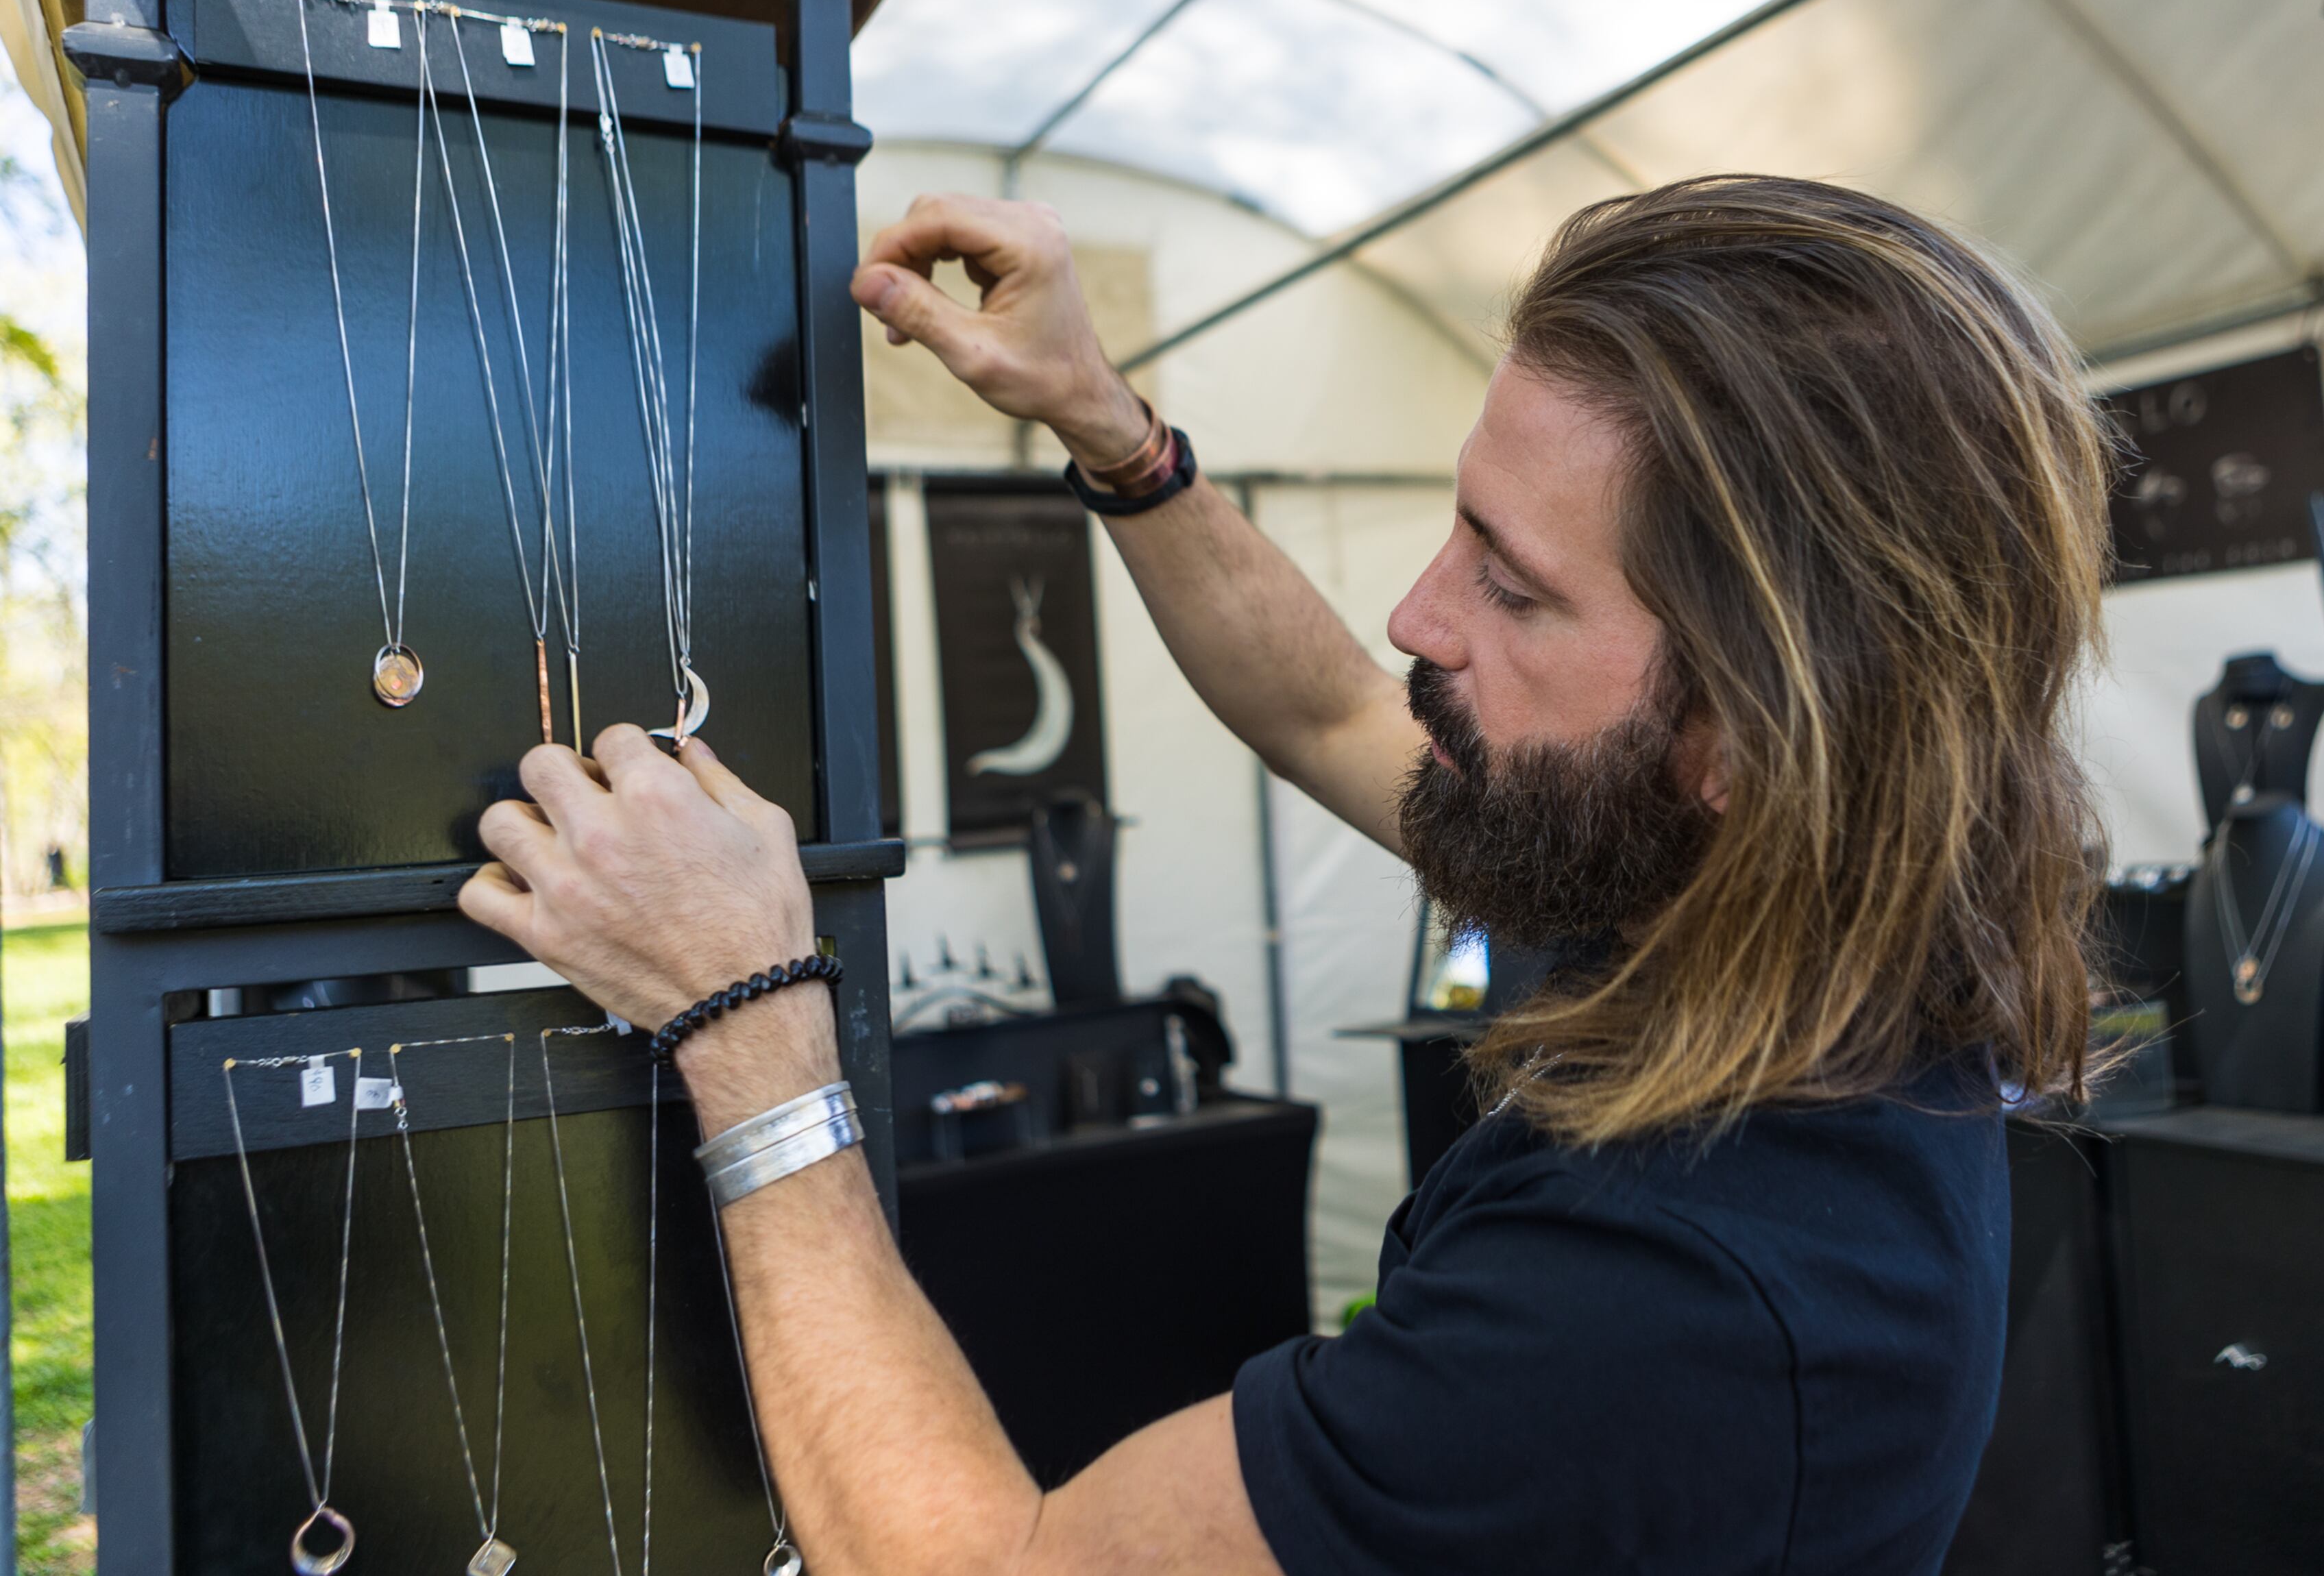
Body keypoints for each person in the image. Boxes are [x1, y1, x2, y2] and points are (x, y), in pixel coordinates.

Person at [460, 174, 2113, 1575]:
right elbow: (1332, 708)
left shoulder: (1669, 1302)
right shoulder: (1743, 893)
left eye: (1515, 589)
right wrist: (1111, 429)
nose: (1418, 614)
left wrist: (744, 1014)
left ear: (1750, 731)